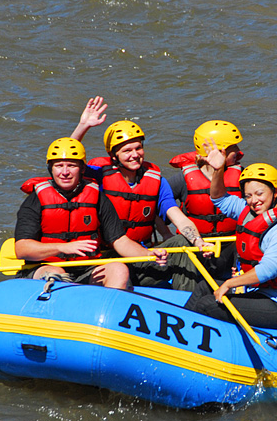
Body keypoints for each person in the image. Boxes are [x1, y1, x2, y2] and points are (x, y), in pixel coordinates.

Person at [70, 97, 210, 289]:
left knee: (181, 241)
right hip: (106, 259)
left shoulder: (156, 181)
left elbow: (178, 217)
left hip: (141, 255)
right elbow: (68, 161)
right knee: (120, 274)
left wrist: (198, 241)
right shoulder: (99, 175)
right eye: (127, 150)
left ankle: (187, 304)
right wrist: (83, 126)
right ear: (113, 155)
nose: (135, 154)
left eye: (138, 148)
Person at [184, 149, 277, 330]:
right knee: (203, 287)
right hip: (261, 292)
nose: (254, 200)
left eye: (259, 194)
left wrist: (230, 283)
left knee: (208, 304)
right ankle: (180, 333)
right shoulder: (250, 212)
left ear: (275, 192)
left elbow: (270, 269)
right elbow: (218, 198)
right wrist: (218, 170)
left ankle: (193, 342)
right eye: (248, 195)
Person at [14, 137, 167, 289]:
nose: (65, 172)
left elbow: (120, 241)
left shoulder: (98, 198)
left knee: (118, 269)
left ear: (81, 168)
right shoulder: (35, 201)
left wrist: (148, 255)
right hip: (45, 267)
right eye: (59, 166)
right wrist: (63, 248)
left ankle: (108, 310)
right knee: (56, 273)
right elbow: (22, 249)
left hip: (87, 268)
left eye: (71, 166)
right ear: (51, 169)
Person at [166, 119, 246, 281]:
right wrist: (166, 234)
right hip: (195, 247)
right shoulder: (182, 179)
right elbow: (156, 205)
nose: (239, 152)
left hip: (231, 246)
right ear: (218, 151)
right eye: (233, 148)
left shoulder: (244, 177)